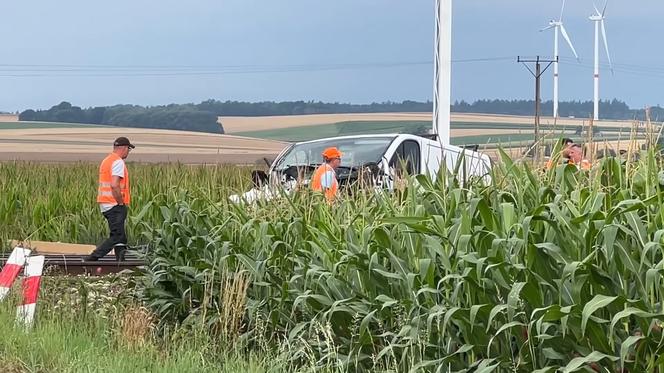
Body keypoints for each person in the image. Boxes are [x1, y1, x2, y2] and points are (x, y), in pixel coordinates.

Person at [84, 137, 135, 261]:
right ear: (123, 148)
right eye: (128, 149)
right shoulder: (118, 162)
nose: (128, 152)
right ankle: (94, 257)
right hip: (114, 204)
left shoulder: (107, 160)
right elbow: (114, 184)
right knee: (117, 235)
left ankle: (120, 261)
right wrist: (120, 203)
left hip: (105, 203)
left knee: (121, 235)